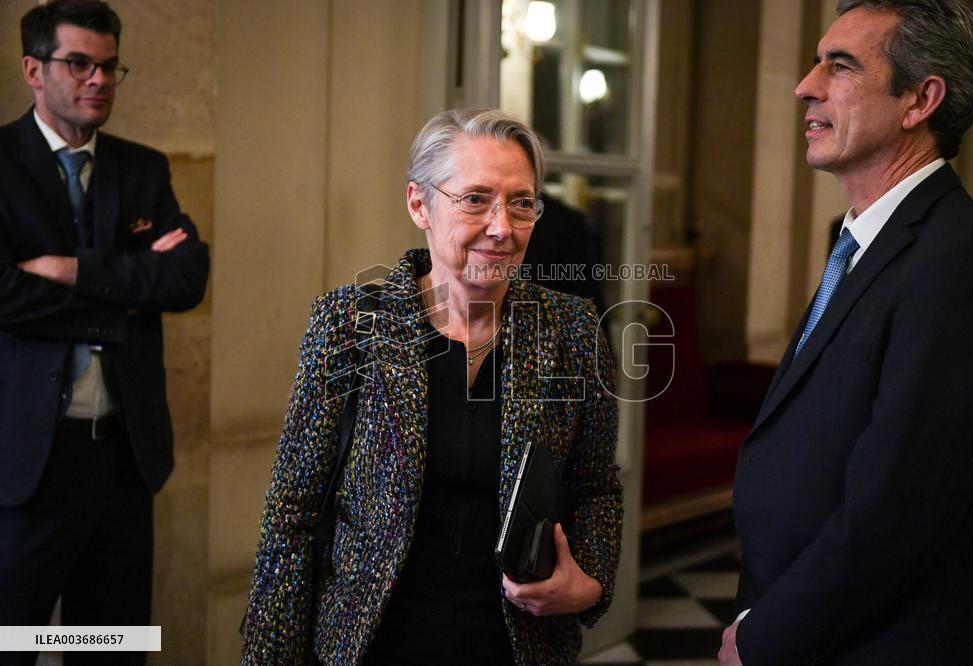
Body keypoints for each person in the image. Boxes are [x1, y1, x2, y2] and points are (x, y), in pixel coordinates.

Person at [242, 109, 622, 665]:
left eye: (521, 203)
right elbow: (291, 513)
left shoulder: (571, 329)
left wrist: (588, 583)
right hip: (375, 644)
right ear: (419, 204)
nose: (502, 226)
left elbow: (596, 488)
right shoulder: (352, 325)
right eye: (475, 199)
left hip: (518, 647)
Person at [721, 1, 973, 664]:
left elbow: (898, 509)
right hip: (810, 617)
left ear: (921, 100)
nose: (805, 85)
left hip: (877, 641)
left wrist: (766, 636)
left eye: (839, 66)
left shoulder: (963, 261)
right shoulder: (854, 240)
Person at [0, 0, 209, 662]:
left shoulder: (142, 169)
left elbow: (185, 280)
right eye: (80, 64)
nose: (99, 80)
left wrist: (67, 268)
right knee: (13, 641)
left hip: (122, 459)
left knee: (113, 646)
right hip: (26, 462)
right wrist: (124, 292)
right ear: (34, 70)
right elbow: (2, 293)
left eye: (110, 66)